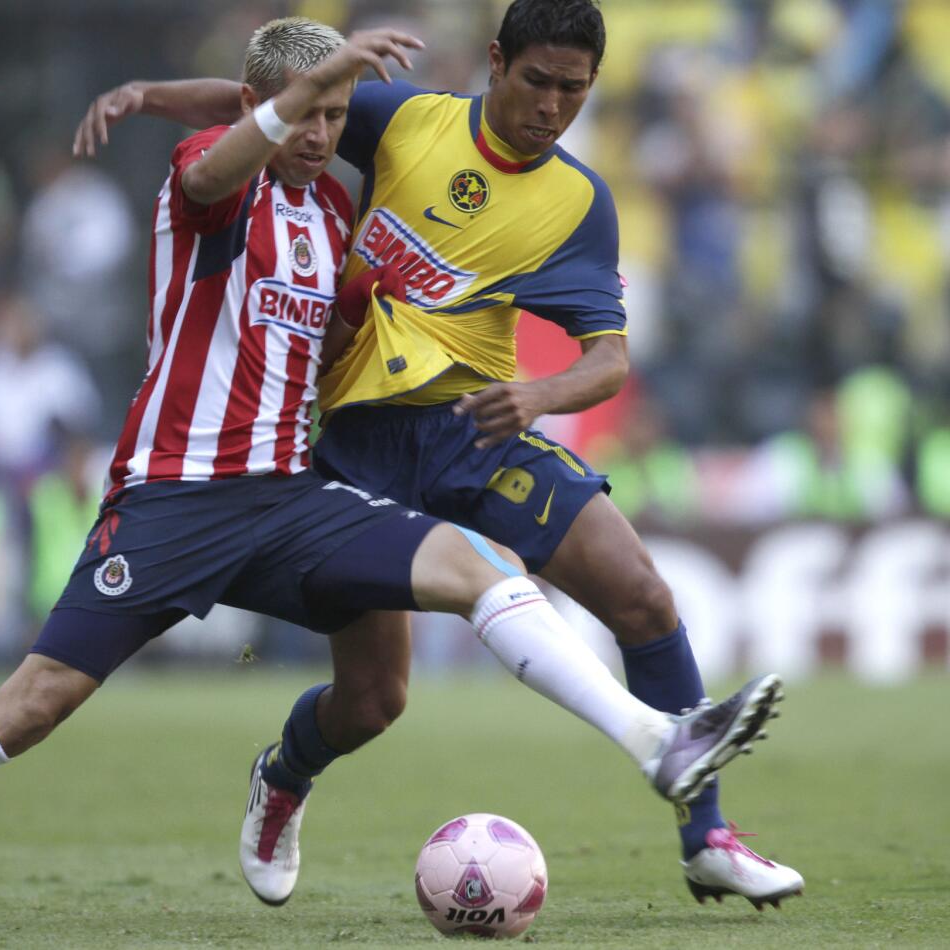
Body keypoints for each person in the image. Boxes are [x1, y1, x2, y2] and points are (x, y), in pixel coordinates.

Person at [0, 19, 786, 936]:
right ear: (259, 108)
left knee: (471, 576)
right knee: (30, 703)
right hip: (172, 501)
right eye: (306, 113)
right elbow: (213, 170)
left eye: (338, 115)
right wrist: (295, 74)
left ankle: (656, 737)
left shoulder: (329, 220)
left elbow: (335, 325)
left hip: (291, 494)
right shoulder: (210, 176)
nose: (322, 133)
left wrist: (378, 303)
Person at [72, 0, 804, 910]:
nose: (551, 106)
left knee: (643, 596)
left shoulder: (580, 205)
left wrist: (537, 395)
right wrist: (147, 96)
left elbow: (610, 359)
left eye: (573, 91)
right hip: (351, 444)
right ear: (495, 63)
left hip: (476, 427)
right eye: (536, 81)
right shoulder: (407, 118)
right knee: (374, 701)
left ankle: (710, 841)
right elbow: (272, 99)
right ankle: (286, 774)